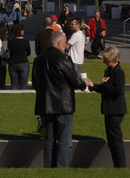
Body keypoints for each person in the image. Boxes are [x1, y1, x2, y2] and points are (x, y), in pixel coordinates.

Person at [32, 30, 85, 168]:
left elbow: (36, 82)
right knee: (64, 139)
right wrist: (84, 82)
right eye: (65, 42)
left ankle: (49, 167)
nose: (66, 45)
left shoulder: (39, 59)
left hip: (46, 103)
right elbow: (74, 81)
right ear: (60, 42)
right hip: (64, 104)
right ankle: (61, 168)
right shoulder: (64, 59)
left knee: (49, 139)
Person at [83, 45, 127, 168]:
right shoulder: (111, 70)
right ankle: (118, 166)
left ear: (111, 58)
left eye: (105, 58)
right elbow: (105, 89)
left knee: (116, 141)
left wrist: (104, 84)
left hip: (115, 110)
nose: (103, 60)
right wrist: (92, 85)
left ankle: (120, 166)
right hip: (110, 110)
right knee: (112, 141)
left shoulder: (118, 72)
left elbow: (117, 90)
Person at [7, 23, 32, 90]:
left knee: (14, 83)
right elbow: (29, 53)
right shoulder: (25, 41)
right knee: (23, 83)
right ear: (21, 31)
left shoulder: (11, 41)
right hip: (23, 62)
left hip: (13, 63)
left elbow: (9, 51)